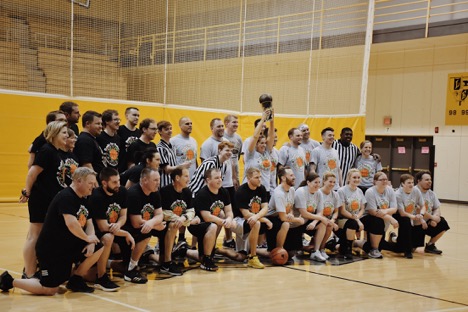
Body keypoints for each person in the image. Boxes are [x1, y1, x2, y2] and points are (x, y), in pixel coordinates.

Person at [1, 167, 103, 294]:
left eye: (94, 184)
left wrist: (91, 240)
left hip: (68, 246)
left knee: (99, 245)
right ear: (78, 181)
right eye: (90, 183)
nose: (93, 186)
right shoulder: (66, 197)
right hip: (52, 250)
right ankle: (9, 281)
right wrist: (87, 238)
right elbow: (71, 224)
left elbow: (89, 222)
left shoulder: (84, 197)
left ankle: (76, 279)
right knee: (50, 289)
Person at [19, 121, 69, 278]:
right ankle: (29, 272)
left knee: (42, 236)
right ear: (54, 134)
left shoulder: (56, 152)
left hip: (51, 200)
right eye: (64, 133)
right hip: (41, 199)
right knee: (34, 235)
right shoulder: (47, 151)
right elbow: (32, 173)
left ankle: (36, 269)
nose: (67, 136)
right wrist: (27, 192)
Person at [88, 167, 135, 291]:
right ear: (104, 183)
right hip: (95, 231)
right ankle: (101, 278)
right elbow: (102, 227)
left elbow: (123, 215)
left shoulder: (123, 191)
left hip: (115, 227)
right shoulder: (96, 196)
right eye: (114, 182)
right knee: (109, 237)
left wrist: (119, 225)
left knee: (133, 232)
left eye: (119, 181)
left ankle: (128, 267)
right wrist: (124, 233)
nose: (118, 185)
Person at [125, 168, 174, 283]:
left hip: (147, 224)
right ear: (145, 180)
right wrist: (154, 226)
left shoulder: (155, 192)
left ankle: (165, 263)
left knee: (167, 228)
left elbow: (159, 215)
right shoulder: (134, 193)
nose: (158, 182)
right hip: (129, 228)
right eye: (155, 180)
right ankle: (131, 268)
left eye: (159, 179)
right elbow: (135, 222)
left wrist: (151, 223)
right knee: (146, 233)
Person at [190, 168, 234, 271]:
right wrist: (224, 222)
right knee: (214, 223)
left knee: (221, 216)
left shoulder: (224, 191)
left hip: (211, 225)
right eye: (216, 178)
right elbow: (206, 217)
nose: (220, 180)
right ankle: (206, 260)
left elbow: (229, 211)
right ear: (208, 180)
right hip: (197, 225)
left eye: (220, 177)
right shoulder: (203, 194)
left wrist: (229, 219)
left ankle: (186, 252)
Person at [230, 168, 271, 269]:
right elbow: (245, 214)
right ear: (248, 178)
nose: (259, 180)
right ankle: (253, 257)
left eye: (260, 177)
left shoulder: (261, 188)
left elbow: (265, 207)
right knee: (257, 223)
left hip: (252, 219)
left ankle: (259, 247)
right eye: (256, 177)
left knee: (241, 256)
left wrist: (258, 217)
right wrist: (262, 219)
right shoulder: (241, 191)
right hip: (237, 221)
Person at [159, 168, 195, 275]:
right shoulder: (165, 191)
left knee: (184, 223)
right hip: (161, 225)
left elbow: (191, 211)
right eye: (186, 176)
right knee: (173, 224)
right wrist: (179, 219)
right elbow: (163, 213)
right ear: (177, 178)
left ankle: (172, 254)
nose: (189, 179)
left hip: (178, 222)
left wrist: (183, 217)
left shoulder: (187, 191)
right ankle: (166, 263)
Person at [357, 172, 399, 259]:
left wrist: (385, 211)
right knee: (377, 220)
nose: (384, 181)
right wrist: (391, 218)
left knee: (389, 247)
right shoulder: (370, 192)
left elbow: (394, 208)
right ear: (375, 181)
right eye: (381, 180)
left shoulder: (390, 190)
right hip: (369, 220)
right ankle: (372, 249)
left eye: (386, 179)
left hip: (382, 222)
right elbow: (373, 212)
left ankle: (390, 239)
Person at [265, 167, 304, 257]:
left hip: (282, 217)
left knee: (291, 253)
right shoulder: (279, 193)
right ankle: (279, 250)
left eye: (293, 175)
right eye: (291, 175)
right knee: (287, 223)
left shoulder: (292, 190)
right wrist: (298, 220)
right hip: (272, 220)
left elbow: (290, 207)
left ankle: (297, 246)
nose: (294, 177)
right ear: (283, 178)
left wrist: (290, 214)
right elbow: (282, 218)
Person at [294, 172, 328, 262]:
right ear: (308, 182)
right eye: (315, 182)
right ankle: (303, 247)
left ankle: (315, 251)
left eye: (319, 182)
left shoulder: (319, 193)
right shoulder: (301, 191)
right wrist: (320, 218)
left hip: (309, 220)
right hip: (297, 222)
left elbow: (320, 212)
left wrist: (314, 222)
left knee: (323, 223)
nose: (318, 185)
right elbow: (304, 213)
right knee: (292, 252)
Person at [415, 171, 450, 254]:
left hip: (428, 222)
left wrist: (434, 218)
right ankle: (394, 238)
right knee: (411, 249)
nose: (429, 182)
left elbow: (437, 208)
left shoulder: (431, 194)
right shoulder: (414, 192)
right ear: (419, 181)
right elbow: (418, 210)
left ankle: (430, 245)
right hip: (416, 223)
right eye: (427, 180)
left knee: (442, 223)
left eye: (430, 180)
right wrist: (432, 217)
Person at [393, 174, 426, 259]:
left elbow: (423, 206)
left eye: (412, 182)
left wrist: (421, 215)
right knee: (406, 220)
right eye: (408, 183)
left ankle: (399, 240)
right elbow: (402, 213)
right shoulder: (398, 194)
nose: (411, 184)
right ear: (402, 184)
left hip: (411, 214)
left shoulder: (416, 190)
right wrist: (414, 217)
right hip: (398, 215)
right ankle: (407, 251)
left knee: (419, 221)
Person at [243, 110, 274, 196]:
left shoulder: (266, 153)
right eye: (261, 143)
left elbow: (271, 135)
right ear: (256, 144)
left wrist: (272, 119)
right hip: (250, 189)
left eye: (265, 143)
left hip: (265, 189)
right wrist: (263, 119)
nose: (264, 145)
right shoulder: (251, 154)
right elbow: (255, 136)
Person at [337, 169, 366, 259]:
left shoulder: (360, 191)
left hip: (355, 217)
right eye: (354, 177)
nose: (357, 179)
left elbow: (362, 209)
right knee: (352, 223)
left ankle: (349, 245)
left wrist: (358, 217)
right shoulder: (342, 191)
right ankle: (348, 250)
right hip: (342, 219)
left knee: (358, 222)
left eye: (358, 177)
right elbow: (342, 211)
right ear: (349, 178)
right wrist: (357, 220)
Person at [157, 120, 191, 188]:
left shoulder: (172, 146)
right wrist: (181, 166)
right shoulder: (160, 148)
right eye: (166, 129)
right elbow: (167, 169)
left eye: (170, 128)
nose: (170, 131)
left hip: (174, 183)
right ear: (160, 132)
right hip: (165, 184)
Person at [316, 172, 342, 260]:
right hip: (318, 218)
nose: (332, 184)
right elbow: (317, 212)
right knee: (328, 225)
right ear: (324, 181)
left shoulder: (335, 194)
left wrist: (333, 220)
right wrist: (329, 221)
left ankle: (322, 249)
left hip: (329, 218)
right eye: (330, 181)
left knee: (330, 225)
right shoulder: (318, 193)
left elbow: (336, 211)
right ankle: (317, 249)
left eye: (334, 182)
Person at [74, 110, 106, 177]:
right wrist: (94, 183)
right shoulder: (85, 140)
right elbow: (86, 165)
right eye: (97, 124)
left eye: (101, 124)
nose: (101, 126)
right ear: (87, 124)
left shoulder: (92, 139)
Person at [117, 107, 142, 173]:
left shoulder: (140, 133)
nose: (137, 118)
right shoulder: (119, 130)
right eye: (134, 115)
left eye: (138, 116)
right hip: (121, 167)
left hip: (136, 168)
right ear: (127, 116)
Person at [223, 115, 243, 189]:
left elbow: (237, 156)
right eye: (234, 122)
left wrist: (235, 176)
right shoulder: (222, 137)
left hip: (235, 173)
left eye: (237, 122)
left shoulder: (239, 138)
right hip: (224, 173)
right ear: (227, 123)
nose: (236, 124)